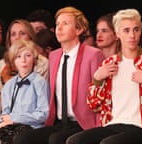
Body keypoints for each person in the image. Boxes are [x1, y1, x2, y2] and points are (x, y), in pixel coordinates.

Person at [66, 8, 142, 144]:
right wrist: (97, 79)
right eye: (126, 30)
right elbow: (93, 105)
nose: (132, 35)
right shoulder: (109, 64)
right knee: (74, 141)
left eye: (136, 29)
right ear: (117, 34)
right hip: (112, 124)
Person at [13, 6, 105, 144]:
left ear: (79, 29)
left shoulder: (93, 54)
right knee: (22, 138)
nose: (59, 28)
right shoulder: (54, 56)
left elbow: (100, 92)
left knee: (56, 140)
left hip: (83, 122)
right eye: (57, 24)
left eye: (65, 24)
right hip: (59, 122)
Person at [0, 39, 49, 144]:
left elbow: (44, 114)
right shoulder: (9, 85)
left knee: (20, 138)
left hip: (32, 128)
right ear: (13, 61)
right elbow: (5, 113)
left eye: (28, 56)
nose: (23, 60)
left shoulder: (40, 83)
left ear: (34, 59)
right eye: (18, 56)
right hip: (11, 128)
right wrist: (1, 121)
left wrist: (15, 118)